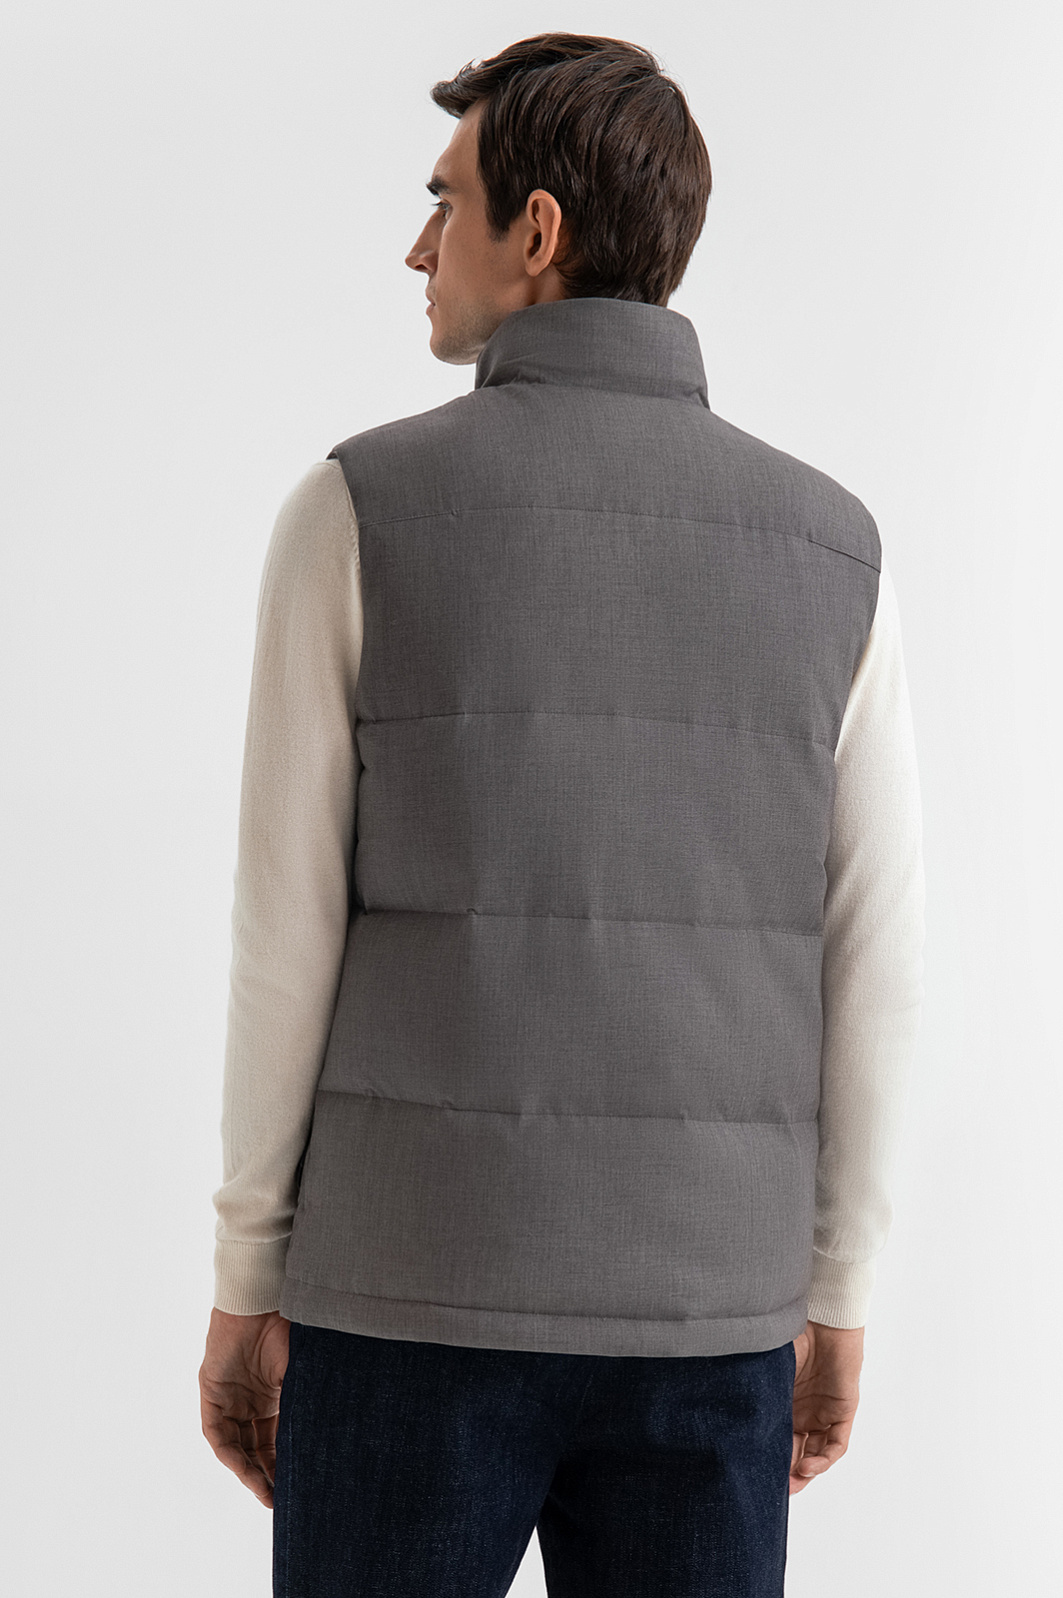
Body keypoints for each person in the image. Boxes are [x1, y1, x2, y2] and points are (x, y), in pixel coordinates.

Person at [199, 32, 925, 1598]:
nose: (417, 246)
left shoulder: (353, 512)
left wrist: (247, 1270)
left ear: (537, 232)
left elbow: (283, 936)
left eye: (443, 200)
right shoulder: (836, 551)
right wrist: (839, 1289)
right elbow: (877, 959)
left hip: (407, 1301)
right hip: (713, 1318)